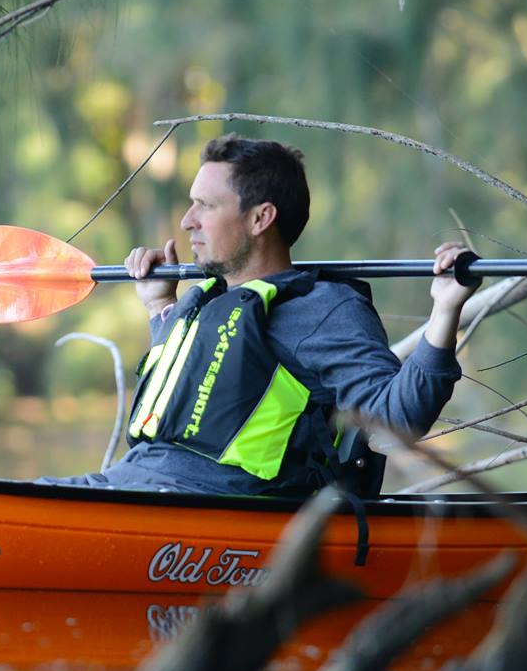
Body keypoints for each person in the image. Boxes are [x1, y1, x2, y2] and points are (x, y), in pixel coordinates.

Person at [49, 134, 474, 495]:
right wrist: (160, 306)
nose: (186, 221)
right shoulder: (204, 301)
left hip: (205, 512)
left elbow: (396, 421)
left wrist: (445, 309)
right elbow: (203, 395)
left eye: (205, 206)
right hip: (124, 485)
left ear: (260, 218)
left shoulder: (322, 309)